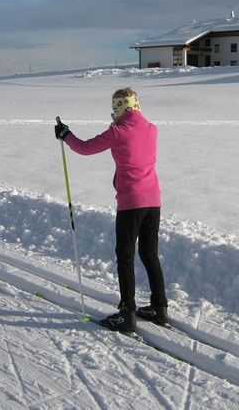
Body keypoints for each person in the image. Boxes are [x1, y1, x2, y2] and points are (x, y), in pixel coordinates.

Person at [54, 88, 168, 332]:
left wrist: (66, 134)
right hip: (153, 200)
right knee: (149, 254)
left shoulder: (118, 131)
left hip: (131, 202)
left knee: (125, 256)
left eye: (114, 108)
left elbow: (84, 148)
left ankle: (127, 314)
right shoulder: (151, 129)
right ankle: (160, 308)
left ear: (120, 107)